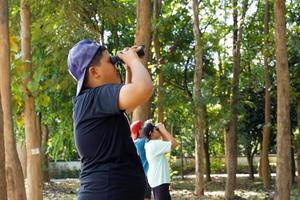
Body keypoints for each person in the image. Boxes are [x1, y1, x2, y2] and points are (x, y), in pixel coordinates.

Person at [67, 39, 153, 200]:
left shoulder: (92, 102)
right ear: (94, 72)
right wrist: (133, 60)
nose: (115, 65)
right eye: (111, 61)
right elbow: (143, 89)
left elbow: (129, 104)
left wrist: (129, 68)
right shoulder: (95, 97)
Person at [142, 120, 177, 200]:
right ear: (151, 133)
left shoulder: (151, 144)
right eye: (155, 129)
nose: (158, 130)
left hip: (158, 180)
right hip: (159, 180)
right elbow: (174, 144)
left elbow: (165, 139)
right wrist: (163, 129)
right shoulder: (154, 145)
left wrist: (160, 131)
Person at [130, 121, 152, 200]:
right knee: (146, 198)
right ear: (138, 131)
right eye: (142, 127)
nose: (144, 129)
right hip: (146, 174)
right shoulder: (144, 142)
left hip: (138, 175)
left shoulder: (134, 143)